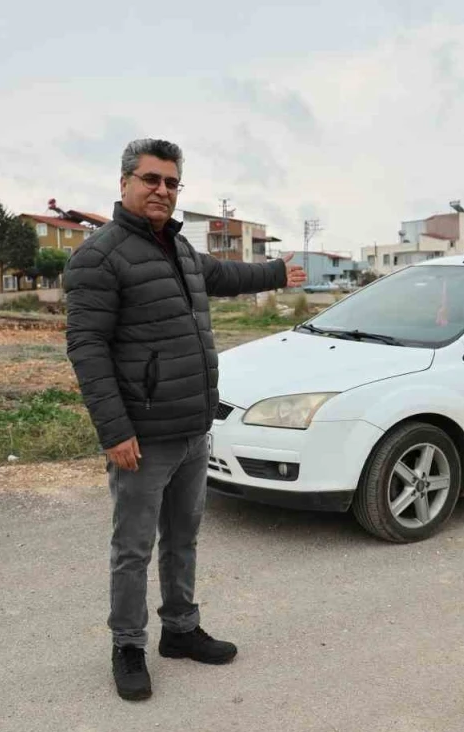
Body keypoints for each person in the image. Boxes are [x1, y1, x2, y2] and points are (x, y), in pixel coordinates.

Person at [64, 138, 306, 701]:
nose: (162, 191)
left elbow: (223, 276)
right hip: (143, 437)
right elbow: (87, 349)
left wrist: (276, 272)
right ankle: (128, 645)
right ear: (125, 182)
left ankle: (180, 629)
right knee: (133, 548)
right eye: (151, 179)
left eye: (172, 183)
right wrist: (115, 431)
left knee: (183, 538)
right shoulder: (99, 257)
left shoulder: (177, 247)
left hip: (193, 427)